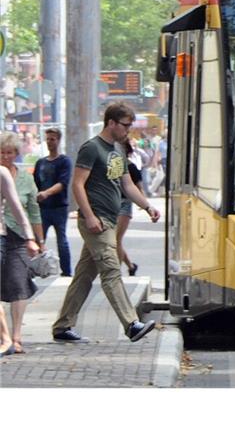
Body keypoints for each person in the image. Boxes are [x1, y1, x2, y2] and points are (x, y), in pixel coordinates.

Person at [51, 102, 161, 344]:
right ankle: (131, 324)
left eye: (130, 126)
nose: (128, 130)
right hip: (96, 221)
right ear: (111, 123)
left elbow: (127, 185)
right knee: (111, 271)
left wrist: (148, 206)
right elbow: (77, 184)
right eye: (125, 125)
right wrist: (89, 216)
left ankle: (62, 326)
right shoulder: (92, 148)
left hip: (109, 221)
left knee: (83, 276)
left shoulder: (118, 150)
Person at [1, 131, 43, 355]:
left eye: (10, 153)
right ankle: (4, 336)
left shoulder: (25, 178)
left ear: (16, 153)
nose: (6, 157)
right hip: (1, 236)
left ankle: (16, 337)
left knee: (18, 284)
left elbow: (32, 211)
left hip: (18, 238)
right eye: (2, 153)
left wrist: (37, 239)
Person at [34, 127, 73, 276]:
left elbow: (63, 183)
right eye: (48, 139)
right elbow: (35, 183)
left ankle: (67, 271)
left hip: (59, 207)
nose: (50, 142)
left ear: (58, 140)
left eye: (53, 139)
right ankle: (35, 269)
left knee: (61, 240)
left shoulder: (64, 161)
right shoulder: (41, 163)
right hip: (42, 208)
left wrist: (46, 193)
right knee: (38, 239)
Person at [115, 137, 147, 277]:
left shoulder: (131, 168)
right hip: (112, 204)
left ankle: (115, 270)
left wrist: (144, 205)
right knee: (114, 241)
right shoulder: (113, 167)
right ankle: (130, 266)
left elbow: (139, 188)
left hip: (125, 205)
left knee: (116, 240)